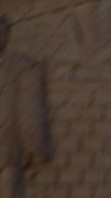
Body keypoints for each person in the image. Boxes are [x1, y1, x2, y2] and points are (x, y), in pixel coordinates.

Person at [0, 16, 49, 198]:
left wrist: (35, 148)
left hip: (8, 140)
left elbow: (30, 110)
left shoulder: (23, 65)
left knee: (9, 178)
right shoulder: (24, 66)